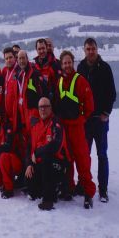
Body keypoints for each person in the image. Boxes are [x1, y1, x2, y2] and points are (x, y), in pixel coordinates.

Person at [55, 50, 96, 208]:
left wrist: (82, 119)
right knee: (67, 160)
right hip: (64, 128)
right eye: (64, 63)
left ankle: (88, 193)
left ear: (73, 63)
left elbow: (89, 106)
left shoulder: (80, 81)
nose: (67, 65)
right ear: (61, 64)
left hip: (77, 128)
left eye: (69, 62)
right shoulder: (59, 81)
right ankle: (69, 188)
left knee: (82, 161)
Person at [77, 37, 116, 203]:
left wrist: (106, 113)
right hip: (85, 121)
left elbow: (112, 93)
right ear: (84, 50)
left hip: (100, 121)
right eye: (88, 49)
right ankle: (83, 184)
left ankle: (103, 189)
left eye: (93, 48)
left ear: (97, 49)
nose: (90, 51)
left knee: (102, 155)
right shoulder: (80, 67)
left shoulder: (105, 68)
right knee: (84, 155)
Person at [25, 98, 68, 211]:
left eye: (45, 106)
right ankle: (47, 189)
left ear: (51, 108)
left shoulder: (56, 123)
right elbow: (30, 147)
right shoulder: (36, 125)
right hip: (41, 164)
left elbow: (54, 146)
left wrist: (37, 152)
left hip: (56, 164)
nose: (43, 109)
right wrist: (29, 164)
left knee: (46, 158)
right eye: (40, 107)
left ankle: (48, 199)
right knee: (29, 181)